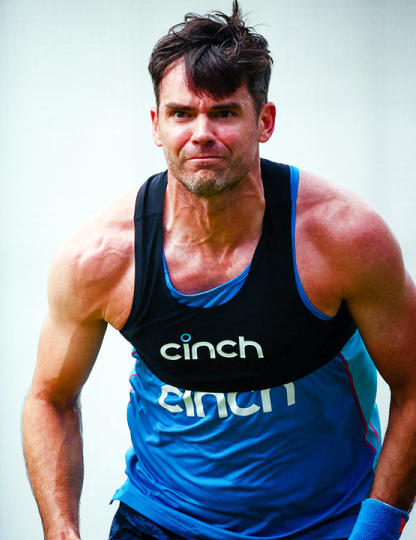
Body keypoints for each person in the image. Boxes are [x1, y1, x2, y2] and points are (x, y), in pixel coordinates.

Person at [22, 2, 416, 539]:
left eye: (225, 113)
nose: (201, 133)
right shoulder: (103, 258)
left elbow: (413, 386)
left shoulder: (342, 238)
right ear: (156, 125)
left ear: (265, 121)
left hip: (322, 525)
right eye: (182, 114)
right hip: (160, 521)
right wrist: (61, 530)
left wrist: (377, 531)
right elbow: (49, 398)